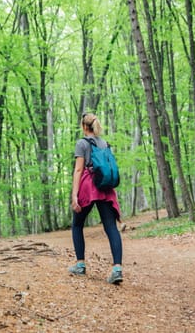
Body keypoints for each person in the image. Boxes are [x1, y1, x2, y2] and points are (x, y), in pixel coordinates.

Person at [69, 113, 123, 284]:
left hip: (89, 186)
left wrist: (74, 195)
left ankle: (80, 265)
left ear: (84, 127)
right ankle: (117, 269)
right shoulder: (105, 143)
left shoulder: (82, 143)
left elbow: (78, 170)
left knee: (77, 224)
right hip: (105, 188)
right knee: (111, 227)